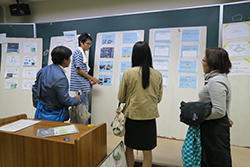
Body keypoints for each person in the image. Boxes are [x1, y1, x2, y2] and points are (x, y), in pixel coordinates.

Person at [118, 41, 163, 167]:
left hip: (132, 116)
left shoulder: (128, 73)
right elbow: (158, 99)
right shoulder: (158, 75)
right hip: (149, 117)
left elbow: (121, 97)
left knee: (130, 148)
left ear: (134, 56)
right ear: (149, 55)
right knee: (147, 151)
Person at [199, 48, 233, 167]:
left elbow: (219, 110)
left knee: (215, 160)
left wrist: (198, 115)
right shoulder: (218, 79)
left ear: (212, 64)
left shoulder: (216, 82)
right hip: (214, 127)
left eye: (204, 60)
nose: (202, 63)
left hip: (214, 129)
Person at [32, 46, 82, 122]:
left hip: (41, 111)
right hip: (55, 115)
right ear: (65, 60)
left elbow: (35, 89)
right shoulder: (61, 77)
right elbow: (65, 101)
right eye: (69, 58)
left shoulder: (43, 70)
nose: (70, 60)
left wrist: (38, 105)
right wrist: (77, 99)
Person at [70, 33, 99, 123]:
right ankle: (84, 133)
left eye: (90, 44)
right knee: (83, 113)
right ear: (81, 43)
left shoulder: (82, 53)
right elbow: (79, 70)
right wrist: (92, 78)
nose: (89, 46)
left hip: (82, 85)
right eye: (87, 43)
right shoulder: (79, 52)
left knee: (82, 111)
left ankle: (83, 131)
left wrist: (89, 80)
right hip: (80, 87)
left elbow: (82, 72)